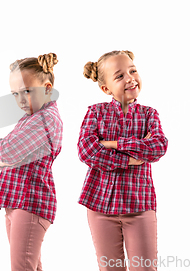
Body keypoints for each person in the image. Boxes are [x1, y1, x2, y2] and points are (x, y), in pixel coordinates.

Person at [78, 50, 168, 271]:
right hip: (100, 207)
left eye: (133, 71)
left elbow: (157, 147)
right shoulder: (95, 113)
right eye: (119, 76)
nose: (130, 78)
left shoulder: (149, 115)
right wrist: (130, 160)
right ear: (106, 88)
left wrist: (113, 143)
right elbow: (86, 150)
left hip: (140, 207)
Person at [0, 53, 63, 271]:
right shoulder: (30, 118)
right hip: (16, 202)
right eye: (15, 94)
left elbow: (7, 152)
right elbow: (2, 154)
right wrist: (0, 154)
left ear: (47, 88)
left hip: (30, 202)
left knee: (21, 268)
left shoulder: (45, 119)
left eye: (27, 91)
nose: (20, 99)